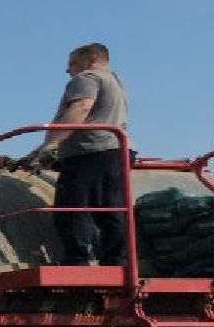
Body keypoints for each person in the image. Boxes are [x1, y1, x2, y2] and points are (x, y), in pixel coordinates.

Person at [14, 43, 131, 266]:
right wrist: (38, 151)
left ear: (91, 60)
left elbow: (81, 108)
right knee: (110, 209)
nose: (68, 70)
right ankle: (119, 259)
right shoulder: (116, 81)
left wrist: (51, 145)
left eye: (73, 63)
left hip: (89, 151)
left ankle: (78, 260)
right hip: (115, 150)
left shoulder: (87, 78)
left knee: (72, 208)